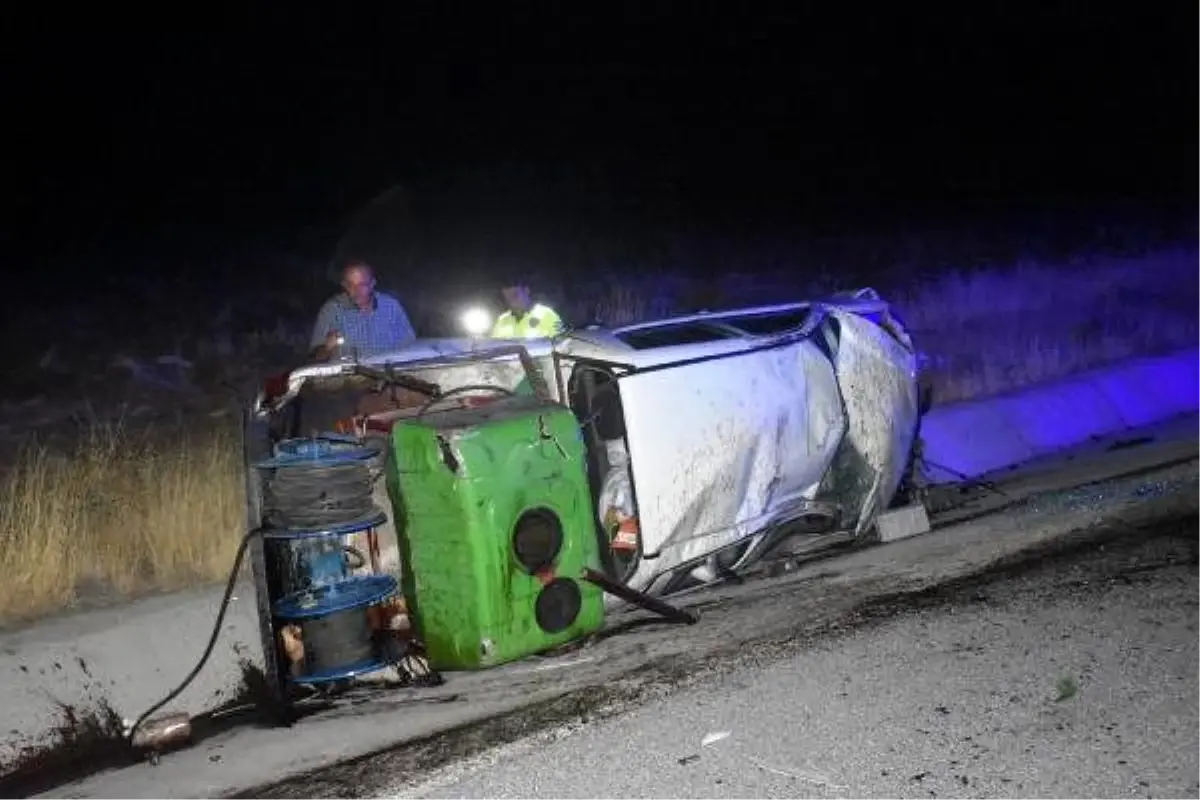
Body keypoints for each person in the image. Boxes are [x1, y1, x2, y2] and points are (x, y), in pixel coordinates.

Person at [310, 261, 417, 362]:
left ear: (372, 284)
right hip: (347, 378)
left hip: (388, 375)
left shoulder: (391, 307)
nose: (357, 291)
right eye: (351, 285)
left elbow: (411, 348)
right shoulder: (331, 311)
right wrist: (327, 348)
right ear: (344, 285)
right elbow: (315, 358)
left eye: (362, 285)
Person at [490, 282, 565, 339]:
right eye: (507, 297)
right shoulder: (502, 320)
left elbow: (562, 344)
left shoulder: (547, 314)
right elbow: (494, 347)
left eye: (515, 295)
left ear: (526, 291)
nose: (511, 300)